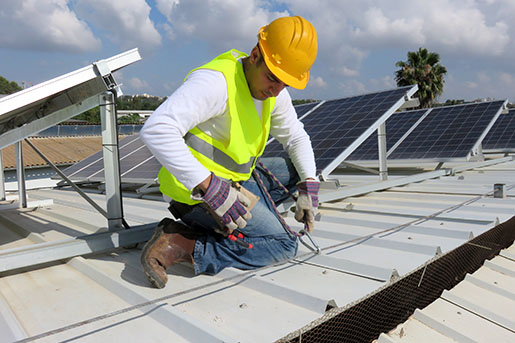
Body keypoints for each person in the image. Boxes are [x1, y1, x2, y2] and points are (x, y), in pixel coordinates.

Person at [139, 15, 320, 289]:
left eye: (285, 83)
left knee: (298, 172)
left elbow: (295, 136)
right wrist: (211, 187)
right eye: (273, 78)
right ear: (256, 54)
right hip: (195, 193)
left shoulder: (275, 91)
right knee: (283, 244)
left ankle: (243, 217)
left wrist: (309, 185)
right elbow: (156, 128)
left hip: (238, 180)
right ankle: (182, 243)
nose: (277, 90)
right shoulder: (216, 83)